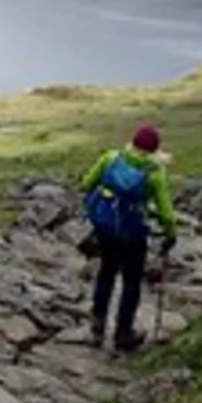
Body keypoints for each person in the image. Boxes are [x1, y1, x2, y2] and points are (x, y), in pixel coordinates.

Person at [79, 125, 177, 352]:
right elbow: (166, 212)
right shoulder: (155, 173)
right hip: (134, 232)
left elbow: (86, 184)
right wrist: (170, 234)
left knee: (106, 272)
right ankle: (123, 333)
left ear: (133, 143)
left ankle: (98, 323)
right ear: (154, 150)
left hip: (106, 227)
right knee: (131, 281)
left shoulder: (111, 158)